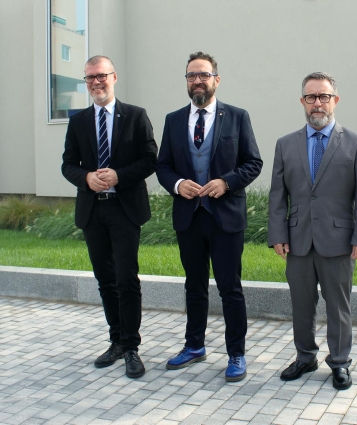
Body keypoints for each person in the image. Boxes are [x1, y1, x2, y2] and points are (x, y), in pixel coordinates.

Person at [156, 51, 263, 382]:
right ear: (186, 81)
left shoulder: (237, 117)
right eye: (191, 76)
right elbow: (163, 166)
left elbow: (253, 162)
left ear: (216, 79)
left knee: (229, 287)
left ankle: (236, 354)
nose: (197, 80)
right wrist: (176, 184)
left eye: (203, 75)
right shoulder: (173, 120)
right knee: (194, 285)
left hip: (225, 217)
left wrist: (226, 182)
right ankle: (194, 345)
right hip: (190, 216)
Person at [267, 72, 357, 390]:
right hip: (298, 241)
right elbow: (277, 196)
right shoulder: (285, 144)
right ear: (303, 101)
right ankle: (305, 357)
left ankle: (340, 362)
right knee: (301, 304)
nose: (317, 103)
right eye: (311, 97)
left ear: (335, 101)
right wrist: (278, 234)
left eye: (324, 96)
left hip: (339, 242)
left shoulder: (356, 143)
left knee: (338, 306)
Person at [61, 55, 157, 379]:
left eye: (101, 76)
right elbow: (68, 164)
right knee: (105, 280)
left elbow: (150, 160)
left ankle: (132, 348)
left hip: (124, 208)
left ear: (113, 77)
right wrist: (86, 178)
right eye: (90, 78)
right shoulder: (78, 122)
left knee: (127, 278)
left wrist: (119, 175)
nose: (96, 82)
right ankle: (115, 341)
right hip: (92, 210)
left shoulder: (136, 116)